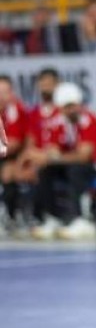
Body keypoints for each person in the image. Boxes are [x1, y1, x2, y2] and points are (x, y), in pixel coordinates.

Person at [26, 82, 96, 241]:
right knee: (46, 169)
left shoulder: (87, 120)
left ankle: (83, 220)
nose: (71, 110)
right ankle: (53, 218)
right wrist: (42, 156)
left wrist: (52, 157)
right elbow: (54, 149)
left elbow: (84, 156)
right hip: (80, 164)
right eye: (66, 107)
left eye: (73, 105)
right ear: (60, 108)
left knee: (76, 169)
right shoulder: (62, 123)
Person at [0, 74, 29, 228]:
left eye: (5, 92)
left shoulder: (15, 110)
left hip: (15, 156)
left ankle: (10, 215)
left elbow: (13, 144)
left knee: (8, 172)